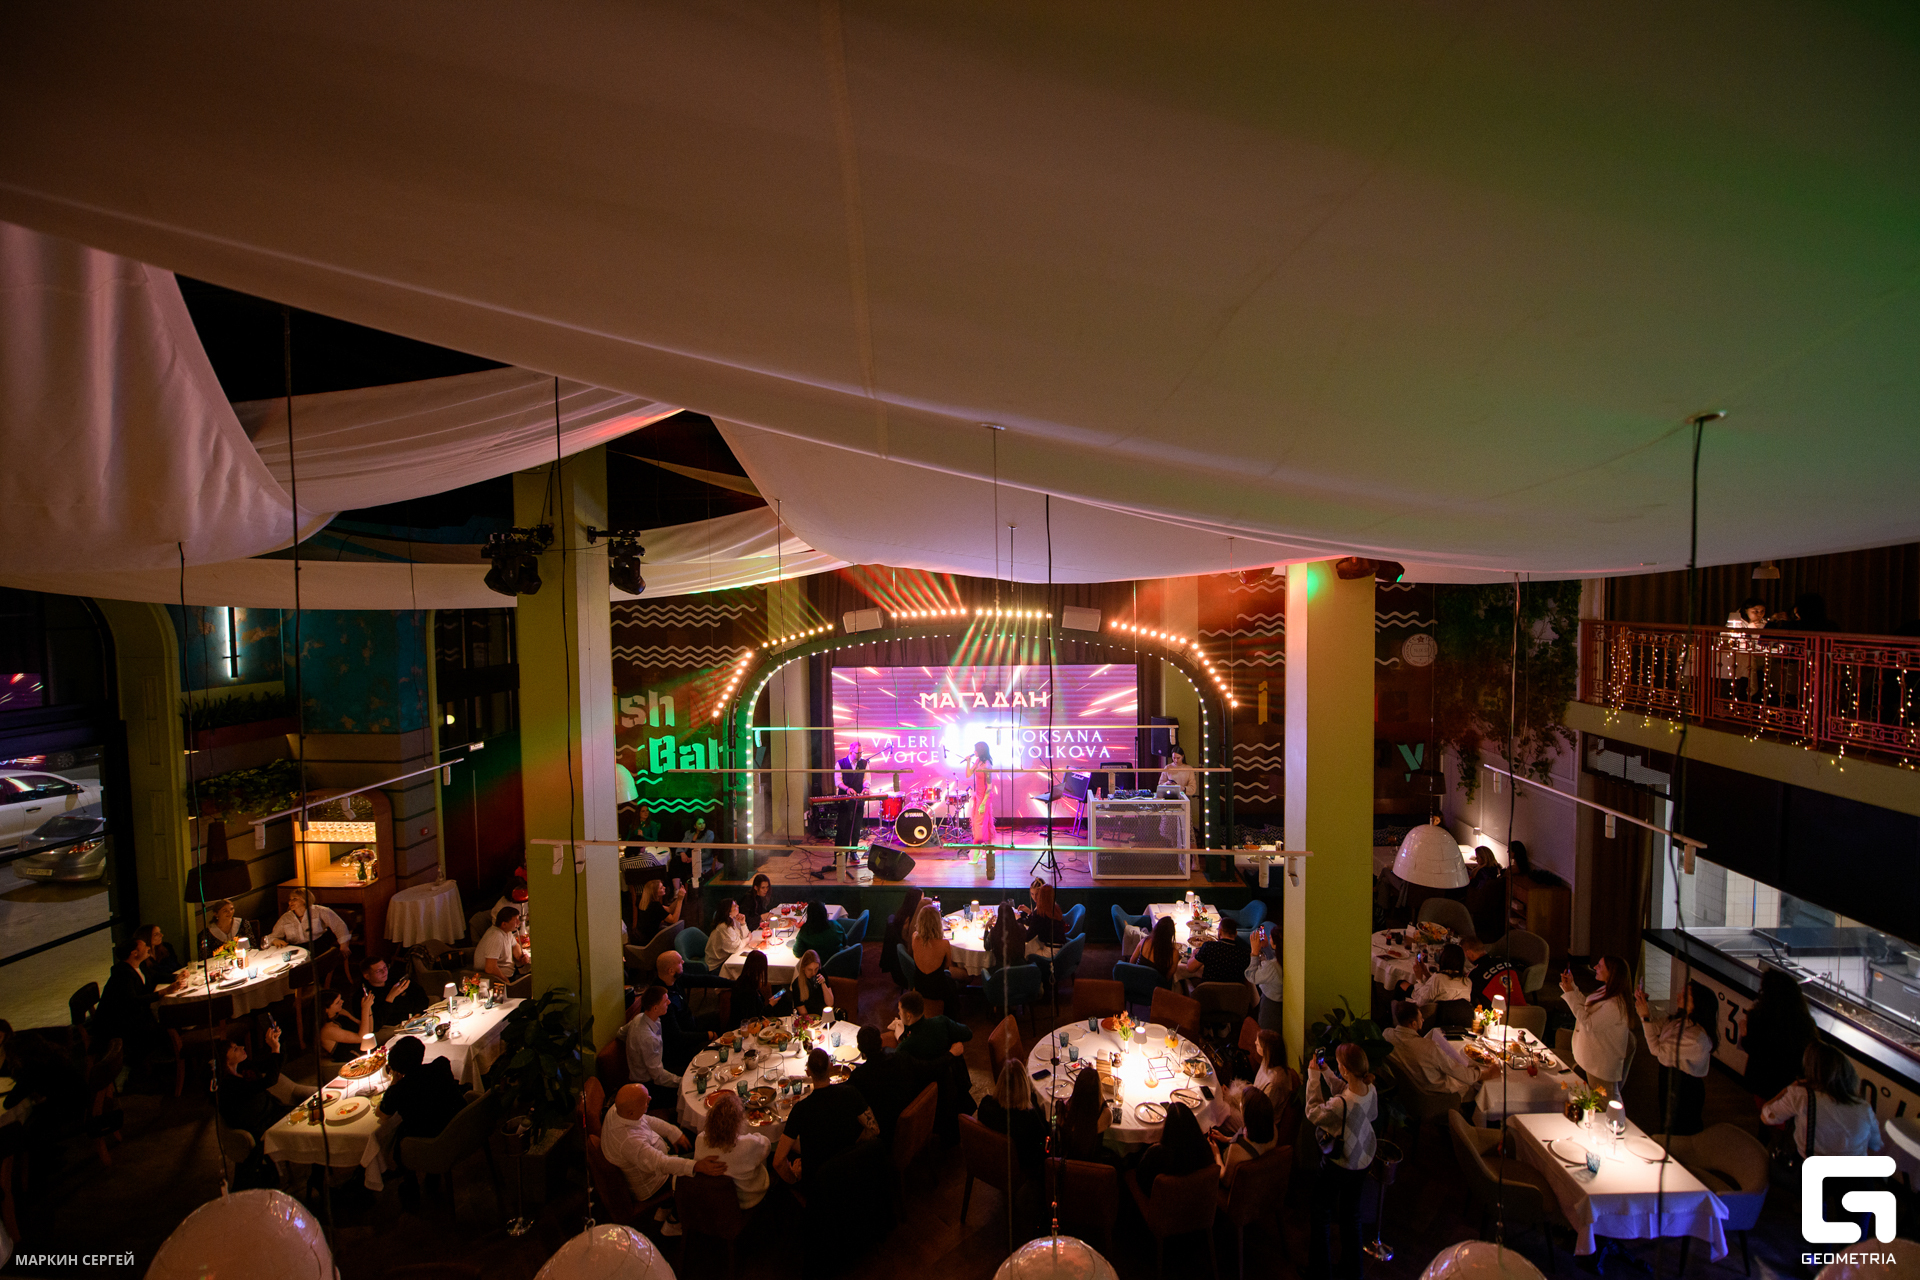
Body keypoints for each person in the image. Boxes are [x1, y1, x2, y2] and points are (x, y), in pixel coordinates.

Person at [602, 1083, 726, 1235]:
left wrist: (673, 1132)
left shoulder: (617, 1111)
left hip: (653, 1162)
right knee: (705, 1172)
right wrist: (697, 1166)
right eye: (645, 1101)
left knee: (693, 1144)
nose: (650, 1099)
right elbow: (662, 1164)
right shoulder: (629, 1142)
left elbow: (645, 1119)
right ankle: (673, 1221)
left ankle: (666, 1207)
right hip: (655, 1182)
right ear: (631, 1112)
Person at [1305, 1043, 1378, 1280]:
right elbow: (1349, 1094)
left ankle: (1320, 1273)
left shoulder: (1341, 1104)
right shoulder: (1370, 1089)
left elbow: (1313, 1112)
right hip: (1362, 1160)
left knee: (1320, 1213)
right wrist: (1326, 1071)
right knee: (1351, 1217)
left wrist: (1313, 1078)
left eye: (1338, 1065)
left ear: (1345, 1070)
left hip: (1340, 1164)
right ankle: (1353, 1272)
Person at [774, 1048, 878, 1188]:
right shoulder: (850, 1093)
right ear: (831, 1067)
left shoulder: (800, 1110)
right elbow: (874, 1129)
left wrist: (795, 1178)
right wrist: (856, 1145)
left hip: (820, 1186)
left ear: (808, 1072)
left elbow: (778, 1162)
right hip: (852, 1173)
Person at [1760, 1042, 1882, 1159]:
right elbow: (1876, 1145)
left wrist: (1788, 1089)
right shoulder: (1864, 1107)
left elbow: (1766, 1117)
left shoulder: (1801, 1097)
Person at [1637, 980, 1717, 1136]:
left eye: (1685, 995)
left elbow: (1656, 1049)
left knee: (1680, 1129)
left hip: (1684, 1087)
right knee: (1667, 1123)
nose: (1678, 995)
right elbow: (1654, 1027)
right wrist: (1643, 1007)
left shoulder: (1696, 1038)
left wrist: (1644, 1016)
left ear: (1698, 1003)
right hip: (1669, 1078)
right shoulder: (1680, 1019)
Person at [895, 990, 974, 1141]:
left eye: (899, 1011)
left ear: (908, 1015)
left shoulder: (905, 1048)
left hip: (927, 1096)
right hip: (953, 1088)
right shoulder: (941, 1022)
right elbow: (967, 1033)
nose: (898, 1014)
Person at [379, 1034, 467, 1166]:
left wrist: (394, 1082)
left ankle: (405, 1170)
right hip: (460, 1124)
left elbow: (383, 1114)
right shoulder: (441, 1065)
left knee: (399, 1131)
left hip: (432, 1139)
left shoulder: (400, 1090)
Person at [1383, 1001, 1495, 1104]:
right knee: (1470, 1085)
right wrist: (1484, 1074)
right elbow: (1456, 1070)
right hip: (1431, 1094)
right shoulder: (1428, 1048)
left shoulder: (1386, 1034)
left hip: (1405, 1088)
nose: (1423, 1020)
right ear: (1413, 1024)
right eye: (1421, 1018)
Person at [94, 935, 178, 1069]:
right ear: (134, 953)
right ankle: (159, 1065)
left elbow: (155, 976)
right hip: (121, 1024)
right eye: (144, 946)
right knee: (168, 1023)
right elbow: (132, 1001)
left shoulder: (139, 966)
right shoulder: (122, 974)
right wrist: (163, 992)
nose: (148, 948)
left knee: (167, 1019)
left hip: (135, 1015)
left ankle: (170, 1059)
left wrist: (176, 977)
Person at [1560, 955, 1633, 1098]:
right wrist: (1572, 988)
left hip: (1602, 1064)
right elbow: (1588, 1007)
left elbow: (1589, 1023)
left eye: (1599, 966)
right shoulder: (1607, 990)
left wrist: (1570, 994)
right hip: (1593, 1058)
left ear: (1611, 973)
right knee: (1594, 1100)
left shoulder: (1615, 1004)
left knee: (1606, 1102)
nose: (1594, 967)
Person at [1742, 967, 1817, 1104]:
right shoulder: (1805, 1022)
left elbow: (1752, 1047)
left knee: (1767, 1111)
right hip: (1792, 1083)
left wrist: (1744, 1033)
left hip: (1763, 1082)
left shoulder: (1758, 1017)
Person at [216, 1023, 299, 1138]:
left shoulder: (243, 1068)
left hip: (276, 1112)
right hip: (263, 1125)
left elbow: (274, 1065)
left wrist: (278, 1042)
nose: (242, 1047)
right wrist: (275, 1049)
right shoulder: (229, 1085)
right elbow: (269, 1081)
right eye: (235, 1049)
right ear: (225, 1061)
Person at [694, 1090, 771, 1208]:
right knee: (761, 1158)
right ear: (738, 1123)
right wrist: (749, 1136)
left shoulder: (700, 1140)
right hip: (749, 1199)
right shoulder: (749, 1144)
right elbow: (767, 1145)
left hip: (715, 1200)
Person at [977, 1059, 1048, 1178]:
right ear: (1024, 1085)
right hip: (1023, 1165)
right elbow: (1043, 1137)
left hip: (992, 1160)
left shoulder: (985, 1105)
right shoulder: (1029, 1117)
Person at [848, 1025, 917, 1139]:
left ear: (860, 1048)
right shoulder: (901, 1058)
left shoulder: (858, 1077)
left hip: (881, 1132)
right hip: (906, 1120)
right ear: (881, 1040)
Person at [1133, 1100, 1212, 1195]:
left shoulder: (1157, 1154)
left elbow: (1140, 1177)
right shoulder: (1204, 1148)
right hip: (1194, 1198)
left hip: (1160, 1199)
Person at [623, 984, 681, 1108]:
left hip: (653, 1070)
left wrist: (634, 1049)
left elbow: (620, 1033)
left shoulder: (638, 1018)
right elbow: (658, 1077)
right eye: (665, 1001)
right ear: (655, 1008)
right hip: (648, 1086)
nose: (669, 1002)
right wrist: (681, 1082)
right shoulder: (648, 1038)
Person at [655, 951, 708, 1071]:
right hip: (679, 1049)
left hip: (690, 1025)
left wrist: (733, 983)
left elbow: (703, 980)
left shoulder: (675, 980)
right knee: (716, 1049)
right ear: (671, 971)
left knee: (718, 1016)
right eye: (679, 962)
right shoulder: (662, 1000)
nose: (683, 962)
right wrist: (707, 1035)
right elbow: (677, 1037)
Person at [1058, 1063, 1121, 1167]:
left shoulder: (1062, 1111)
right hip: (1092, 1167)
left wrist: (1087, 1077)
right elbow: (1106, 1110)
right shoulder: (1105, 1115)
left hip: (1067, 1166)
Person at [1217, 1087, 1279, 1187]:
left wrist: (1216, 1155)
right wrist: (1226, 1139)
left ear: (1248, 1114)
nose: (1240, 1104)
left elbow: (1226, 1181)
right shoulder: (1273, 1130)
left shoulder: (1236, 1148)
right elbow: (1252, 1144)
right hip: (1259, 1178)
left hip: (1239, 1187)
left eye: (1242, 1103)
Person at [909, 903, 964, 1005]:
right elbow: (947, 967)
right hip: (938, 989)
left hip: (920, 985)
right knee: (962, 977)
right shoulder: (944, 944)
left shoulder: (914, 937)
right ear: (938, 923)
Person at [269, 889, 351, 953]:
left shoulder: (320, 911)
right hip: (296, 950)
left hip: (318, 948)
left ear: (305, 900)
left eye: (294, 899)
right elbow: (273, 936)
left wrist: (344, 945)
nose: (290, 902)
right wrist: (275, 940)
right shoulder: (285, 918)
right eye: (290, 899)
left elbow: (339, 926)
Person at [1461, 935, 1527, 1008]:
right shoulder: (1503, 961)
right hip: (1524, 1010)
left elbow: (1469, 1000)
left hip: (1499, 1013)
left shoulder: (1475, 974)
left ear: (1469, 953)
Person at [317, 987, 377, 1065]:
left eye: (340, 999)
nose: (342, 1002)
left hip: (366, 1051)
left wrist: (368, 1008)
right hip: (353, 1062)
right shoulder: (328, 1029)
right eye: (337, 1002)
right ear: (326, 1009)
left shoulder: (341, 1013)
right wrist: (365, 1009)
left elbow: (369, 1029)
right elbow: (362, 1038)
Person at [363, 956, 427, 1025]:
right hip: (394, 1026)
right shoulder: (366, 996)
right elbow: (377, 1023)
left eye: (385, 967)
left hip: (416, 1017)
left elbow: (420, 993)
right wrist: (390, 997)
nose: (384, 972)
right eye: (378, 971)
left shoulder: (394, 977)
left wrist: (418, 1014)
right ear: (367, 976)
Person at [1404, 942, 1471, 1008]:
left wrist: (1419, 979)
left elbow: (1420, 1002)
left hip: (1431, 1013)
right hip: (1452, 1013)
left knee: (1401, 984)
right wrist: (1426, 973)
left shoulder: (1439, 978)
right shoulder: (1468, 982)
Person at [1187, 915, 1250, 984]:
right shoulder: (1244, 953)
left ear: (1219, 932)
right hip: (1234, 990)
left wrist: (1194, 954)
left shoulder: (1209, 947)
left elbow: (1190, 968)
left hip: (1208, 990)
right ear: (1235, 933)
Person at [474, 905, 529, 982]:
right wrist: (506, 981)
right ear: (504, 924)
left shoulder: (507, 931)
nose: (518, 922)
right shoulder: (496, 937)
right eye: (515, 920)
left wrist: (521, 957)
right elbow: (490, 968)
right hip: (496, 979)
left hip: (510, 972)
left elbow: (515, 945)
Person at [881, 886, 923, 985]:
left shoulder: (903, 914)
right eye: (922, 900)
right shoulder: (909, 922)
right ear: (916, 902)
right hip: (912, 959)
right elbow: (912, 944)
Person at [1246, 924, 1283, 1034]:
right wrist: (1266, 947)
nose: (1269, 937)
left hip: (1271, 1005)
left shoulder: (1272, 967)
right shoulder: (1285, 958)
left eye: (1271, 937)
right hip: (1279, 1002)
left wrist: (1254, 952)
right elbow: (1275, 959)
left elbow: (1251, 977)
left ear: (1275, 944)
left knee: (1266, 1032)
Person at [835, 740, 871, 852]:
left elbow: (866, 779)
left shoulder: (864, 763)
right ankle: (840, 852)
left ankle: (853, 851)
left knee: (856, 827)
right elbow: (838, 781)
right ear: (850, 752)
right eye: (858, 753)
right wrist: (847, 789)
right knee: (842, 827)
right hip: (844, 800)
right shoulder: (840, 763)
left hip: (858, 800)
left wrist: (866, 787)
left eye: (861, 753)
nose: (860, 755)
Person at [730, 951, 780, 1027]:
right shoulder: (747, 990)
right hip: (744, 1028)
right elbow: (755, 1019)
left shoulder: (746, 980)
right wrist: (770, 1005)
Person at [1131, 915, 1181, 986]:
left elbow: (1132, 961)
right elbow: (1168, 977)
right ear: (1172, 934)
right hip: (1157, 989)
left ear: (1156, 929)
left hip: (1138, 983)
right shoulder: (1174, 953)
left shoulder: (1144, 942)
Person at [706, 898, 751, 970]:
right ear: (729, 911)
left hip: (728, 957)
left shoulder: (734, 920)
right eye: (735, 906)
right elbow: (736, 947)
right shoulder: (724, 927)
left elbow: (744, 937)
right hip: (718, 965)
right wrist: (748, 939)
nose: (738, 906)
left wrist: (743, 923)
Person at [964, 741, 994, 848]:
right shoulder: (978, 761)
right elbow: (968, 774)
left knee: (979, 822)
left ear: (980, 751)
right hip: (978, 795)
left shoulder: (987, 765)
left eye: (976, 750)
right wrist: (968, 762)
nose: (974, 751)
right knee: (981, 821)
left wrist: (983, 803)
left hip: (985, 797)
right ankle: (985, 845)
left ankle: (977, 847)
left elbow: (989, 787)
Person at [1025, 882, 1068, 955]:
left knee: (1026, 950)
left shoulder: (1040, 912)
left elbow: (1028, 937)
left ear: (1040, 895)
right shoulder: (1056, 907)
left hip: (1051, 952)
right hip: (1061, 948)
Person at [634, 880, 679, 945]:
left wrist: (678, 898)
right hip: (649, 941)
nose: (664, 887)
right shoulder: (655, 906)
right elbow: (674, 920)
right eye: (661, 888)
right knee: (675, 932)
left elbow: (669, 909)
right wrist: (680, 900)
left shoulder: (645, 902)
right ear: (655, 892)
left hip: (639, 938)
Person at [784, 950, 827, 1017]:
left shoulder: (821, 973)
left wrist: (823, 983)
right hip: (809, 1018)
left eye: (816, 969)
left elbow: (830, 1003)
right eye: (810, 969)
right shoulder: (797, 984)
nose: (813, 973)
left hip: (824, 1014)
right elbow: (804, 1014)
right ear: (803, 968)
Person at [985, 901, 1026, 970]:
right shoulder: (1021, 928)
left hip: (1001, 970)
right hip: (1021, 969)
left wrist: (986, 928)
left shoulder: (995, 932)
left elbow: (987, 946)